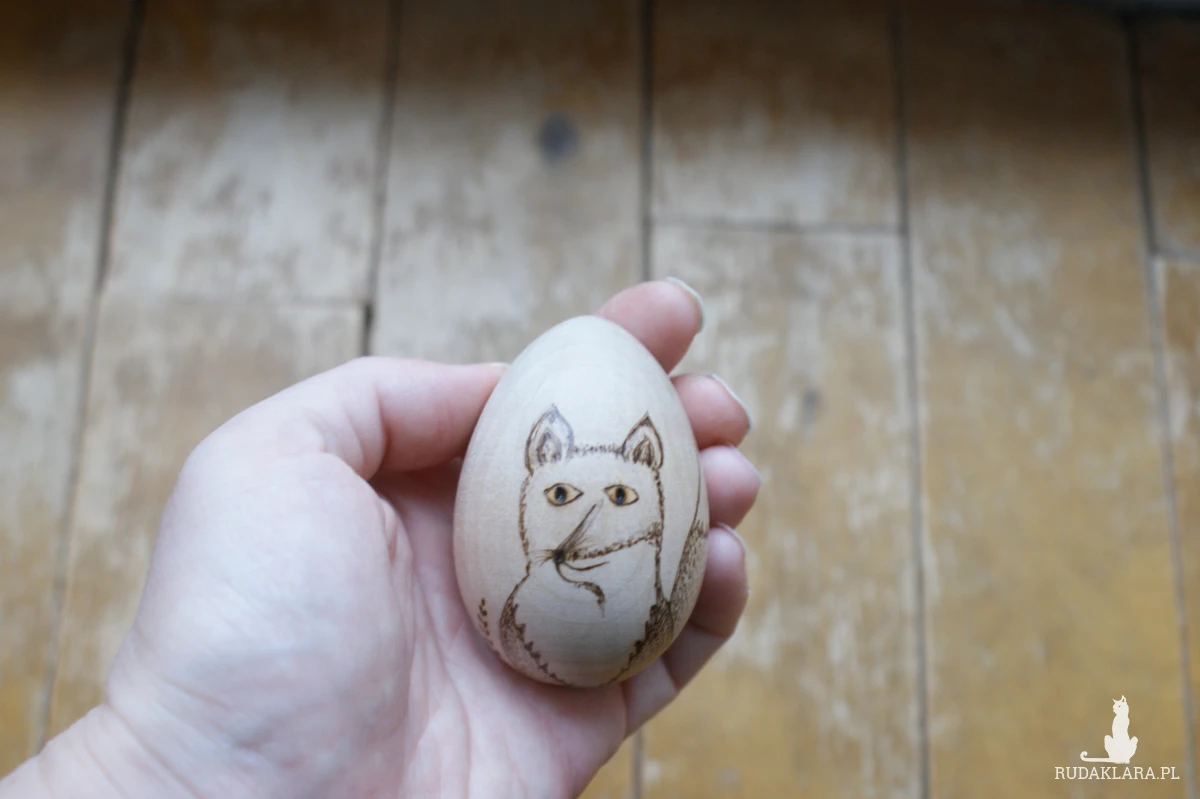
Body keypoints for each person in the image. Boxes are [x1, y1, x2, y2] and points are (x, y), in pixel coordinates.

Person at [0, 280, 759, 798]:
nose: (590, 512)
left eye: (622, 493)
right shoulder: (526, 589)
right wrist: (171, 766)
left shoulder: (647, 576)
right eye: (560, 492)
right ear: (537, 478)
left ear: (651, 480)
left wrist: (159, 772)